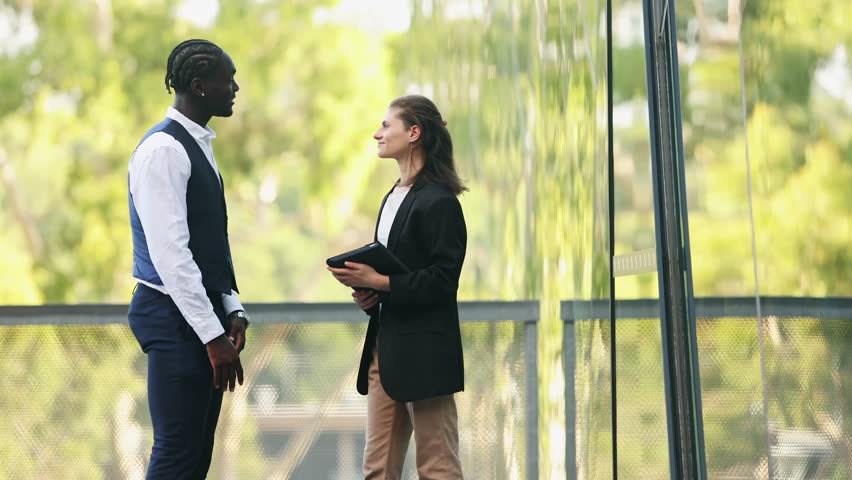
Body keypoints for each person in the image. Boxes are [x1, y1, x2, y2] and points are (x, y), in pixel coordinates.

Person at [127, 39, 249, 479]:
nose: (235, 88)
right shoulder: (164, 150)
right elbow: (172, 257)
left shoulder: (195, 144)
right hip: (173, 318)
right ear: (198, 86)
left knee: (196, 456)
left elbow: (210, 242)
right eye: (227, 80)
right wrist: (211, 336)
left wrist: (231, 308)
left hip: (199, 316)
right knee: (177, 454)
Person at [328, 95, 467, 479]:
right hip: (384, 351)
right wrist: (370, 294)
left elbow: (443, 281)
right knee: (377, 469)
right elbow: (397, 272)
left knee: (438, 467)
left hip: (426, 355)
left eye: (386, 125)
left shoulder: (440, 201)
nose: (378, 133)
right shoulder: (392, 197)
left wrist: (378, 280)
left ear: (414, 133)